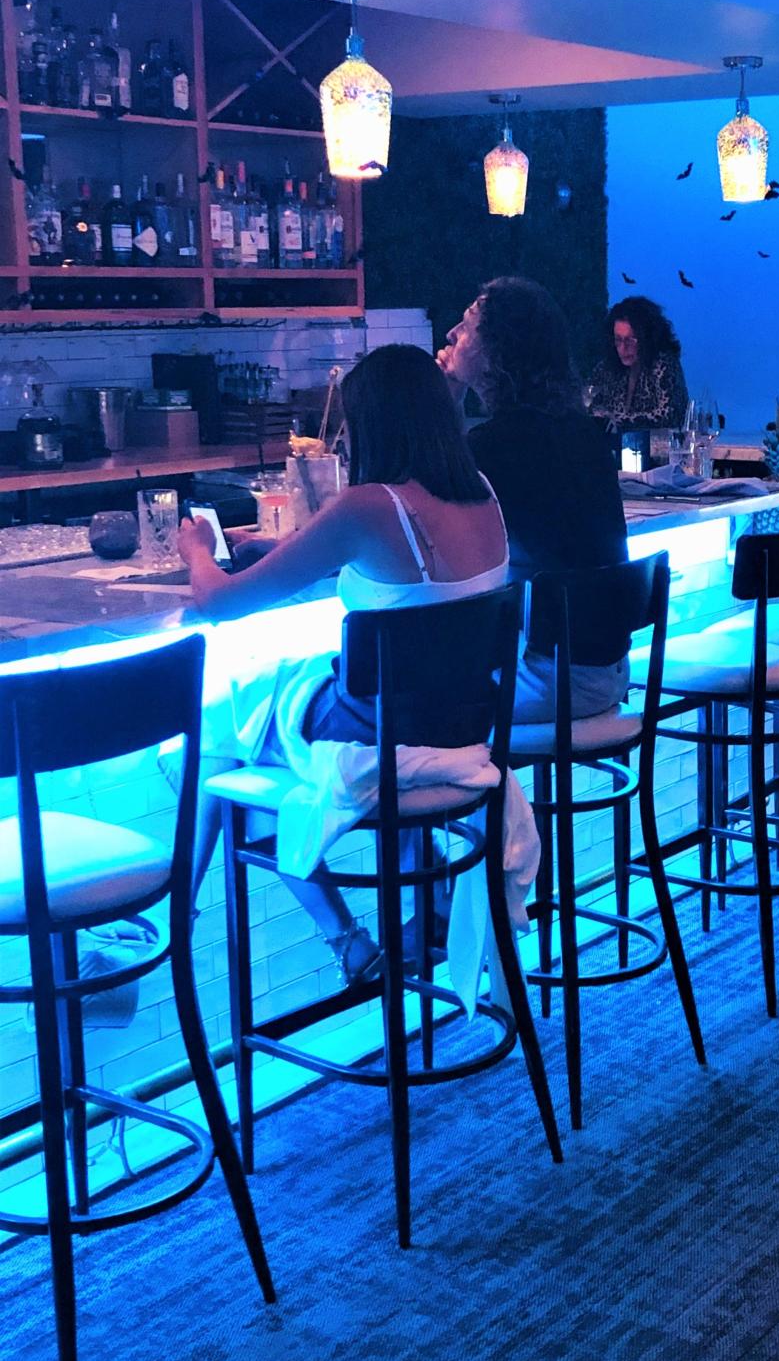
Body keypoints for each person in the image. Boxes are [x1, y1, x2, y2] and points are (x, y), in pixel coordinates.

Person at [178, 344, 510, 983]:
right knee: (243, 725)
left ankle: (314, 935)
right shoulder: (485, 495)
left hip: (378, 737)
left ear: (376, 422)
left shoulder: (367, 507)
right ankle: (425, 895)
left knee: (216, 729)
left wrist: (198, 550)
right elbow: (403, 574)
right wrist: (286, 547)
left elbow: (218, 604)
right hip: (460, 732)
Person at [437, 276, 632, 720]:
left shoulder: (498, 445)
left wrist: (447, 396)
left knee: (405, 698)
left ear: (497, 350)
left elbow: (427, 508)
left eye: (466, 326)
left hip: (550, 678)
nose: (451, 334)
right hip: (611, 672)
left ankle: (475, 787)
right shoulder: (584, 433)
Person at [584, 296, 691, 430]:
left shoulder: (664, 365)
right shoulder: (606, 368)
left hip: (657, 449)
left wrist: (615, 421)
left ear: (647, 338)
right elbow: (586, 404)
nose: (623, 347)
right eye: (618, 340)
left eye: (630, 340)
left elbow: (671, 416)